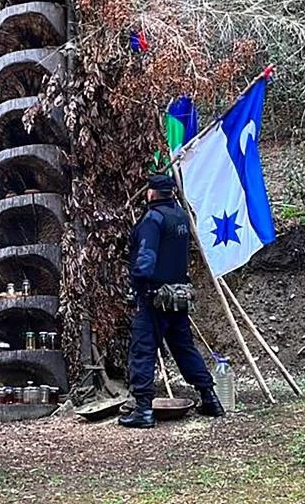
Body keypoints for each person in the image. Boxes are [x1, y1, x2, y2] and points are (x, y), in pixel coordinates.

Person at [119, 174, 225, 428]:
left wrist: (135, 285)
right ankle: (210, 398)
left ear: (152, 193)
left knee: (142, 351)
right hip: (178, 297)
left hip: (153, 298)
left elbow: (145, 262)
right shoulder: (180, 216)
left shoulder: (152, 220)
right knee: (184, 348)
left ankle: (143, 410)